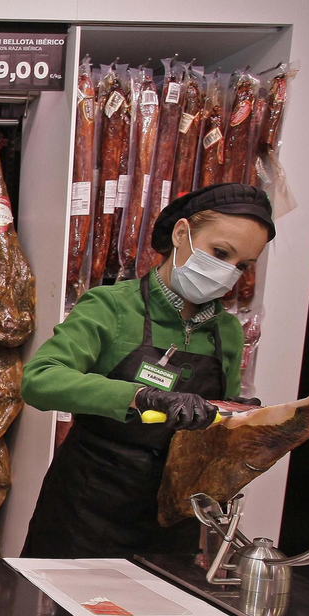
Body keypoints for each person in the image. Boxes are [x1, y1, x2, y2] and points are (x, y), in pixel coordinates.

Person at [21, 183, 275, 558]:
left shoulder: (227, 332)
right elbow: (40, 379)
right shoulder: (111, 306)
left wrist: (236, 416)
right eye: (220, 253)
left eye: (242, 266)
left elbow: (218, 425)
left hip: (173, 517)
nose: (227, 273)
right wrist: (138, 396)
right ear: (181, 233)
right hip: (88, 507)